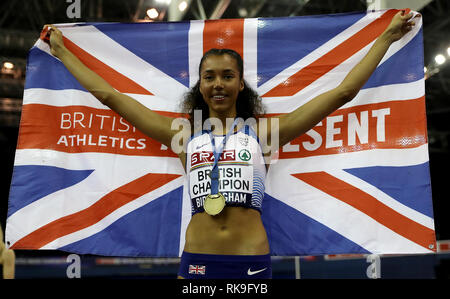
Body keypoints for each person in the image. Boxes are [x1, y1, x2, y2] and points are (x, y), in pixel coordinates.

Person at [44, 10, 419, 279]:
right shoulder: (183, 135)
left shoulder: (265, 134)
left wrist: (386, 36)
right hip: (196, 260)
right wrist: (61, 52)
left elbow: (343, 92)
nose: (218, 83)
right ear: (200, 86)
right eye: (209, 77)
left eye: (227, 76)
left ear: (241, 84)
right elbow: (110, 97)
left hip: (250, 260)